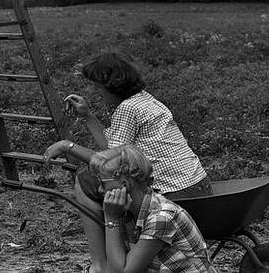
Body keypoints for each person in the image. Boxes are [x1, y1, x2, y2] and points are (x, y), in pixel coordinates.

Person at [44, 51, 210, 273]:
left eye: (97, 87)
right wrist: (88, 116)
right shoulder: (146, 99)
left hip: (171, 190)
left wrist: (67, 146)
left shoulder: (127, 109)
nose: (96, 92)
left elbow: (108, 160)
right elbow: (111, 151)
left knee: (84, 180)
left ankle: (99, 264)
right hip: (197, 184)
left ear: (112, 86)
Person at [84, 144, 217, 273]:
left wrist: (111, 220)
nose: (100, 189)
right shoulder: (125, 211)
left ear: (124, 184)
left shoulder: (161, 217)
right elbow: (116, 265)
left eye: (102, 182)